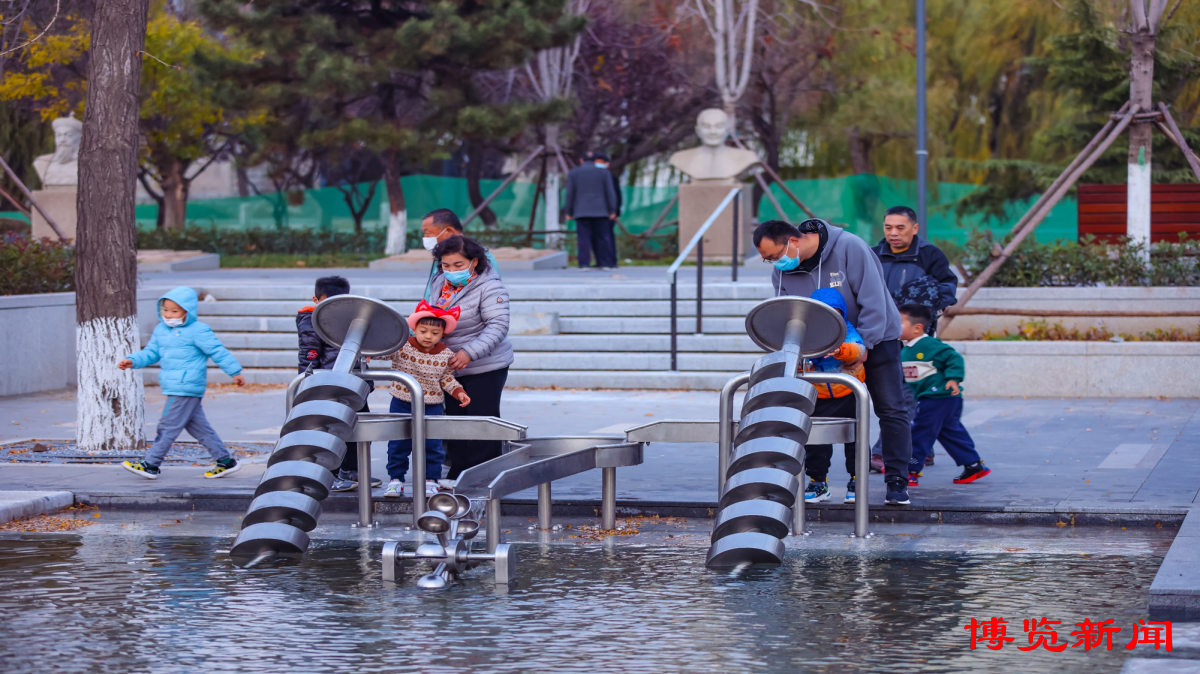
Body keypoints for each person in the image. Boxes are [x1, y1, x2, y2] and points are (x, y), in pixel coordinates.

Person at [753, 218, 912, 506]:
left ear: (794, 241)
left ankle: (897, 481)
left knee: (891, 408)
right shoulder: (782, 273)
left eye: (776, 256)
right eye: (769, 260)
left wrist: (863, 347)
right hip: (824, 350)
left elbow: (873, 300)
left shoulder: (849, 248)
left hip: (876, 339)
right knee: (818, 412)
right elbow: (789, 313)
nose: (776, 264)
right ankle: (818, 480)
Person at [118, 287, 245, 480]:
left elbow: (217, 351)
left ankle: (150, 464)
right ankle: (225, 461)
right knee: (199, 428)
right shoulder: (161, 330)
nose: (168, 314)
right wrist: (133, 360)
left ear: (188, 311)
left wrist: (234, 372)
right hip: (174, 385)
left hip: (187, 386)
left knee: (167, 425)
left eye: (174, 311)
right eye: (165, 309)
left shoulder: (198, 330)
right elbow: (151, 353)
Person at [868, 205, 960, 471]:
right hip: (881, 335)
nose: (893, 233)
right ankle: (922, 449)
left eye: (900, 227)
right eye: (888, 228)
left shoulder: (930, 255)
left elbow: (947, 288)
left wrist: (925, 309)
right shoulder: (873, 255)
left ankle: (885, 452)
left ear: (915, 228)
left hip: (915, 339)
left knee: (907, 393)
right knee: (904, 393)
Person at [428, 234, 514, 482]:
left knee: (480, 423)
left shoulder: (490, 286)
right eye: (446, 265)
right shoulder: (438, 282)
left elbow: (497, 326)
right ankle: (458, 473)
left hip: (485, 367)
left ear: (474, 262)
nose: (451, 271)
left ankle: (484, 477)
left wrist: (469, 352)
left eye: (458, 265)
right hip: (450, 368)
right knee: (455, 422)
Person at [296, 275, 379, 492]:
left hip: (354, 384)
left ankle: (351, 470)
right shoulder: (312, 321)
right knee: (330, 431)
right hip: (329, 386)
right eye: (327, 302)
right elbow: (309, 355)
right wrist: (308, 384)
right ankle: (328, 475)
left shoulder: (352, 317)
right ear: (316, 300)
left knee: (361, 428)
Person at [382, 301, 472, 498]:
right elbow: (385, 352)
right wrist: (372, 352)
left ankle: (431, 480)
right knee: (398, 443)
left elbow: (447, 378)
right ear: (415, 329)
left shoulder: (445, 354)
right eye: (423, 331)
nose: (428, 336)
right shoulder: (403, 347)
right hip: (401, 402)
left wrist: (459, 392)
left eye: (434, 333)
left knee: (432, 444)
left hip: (432, 406)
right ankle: (396, 480)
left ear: (442, 334)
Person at [898, 304, 991, 486]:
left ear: (918, 328)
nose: (894, 326)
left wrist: (953, 378)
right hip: (936, 399)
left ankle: (910, 470)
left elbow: (953, 358)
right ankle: (973, 465)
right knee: (950, 431)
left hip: (939, 397)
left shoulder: (929, 345)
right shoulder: (905, 349)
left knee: (921, 431)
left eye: (899, 322)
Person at [801, 288, 867, 505]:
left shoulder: (846, 329)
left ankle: (857, 480)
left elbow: (857, 349)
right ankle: (818, 481)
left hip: (848, 390)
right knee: (815, 440)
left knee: (856, 438)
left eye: (835, 312)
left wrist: (840, 351)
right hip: (818, 392)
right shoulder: (807, 333)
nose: (829, 317)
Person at [420, 208, 500, 302]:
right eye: (446, 266)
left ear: (448, 231)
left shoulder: (480, 256)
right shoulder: (442, 256)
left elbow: (492, 299)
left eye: (428, 233)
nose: (425, 238)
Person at [564, 151, 620, 271]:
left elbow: (570, 193)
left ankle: (584, 264)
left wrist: (568, 211)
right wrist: (612, 210)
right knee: (603, 237)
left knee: (583, 238)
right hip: (601, 211)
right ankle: (604, 263)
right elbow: (610, 193)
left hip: (581, 211)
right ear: (595, 161)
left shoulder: (574, 173)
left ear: (581, 160)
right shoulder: (604, 173)